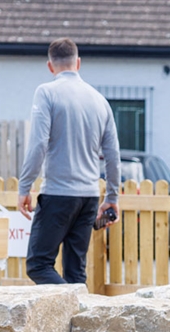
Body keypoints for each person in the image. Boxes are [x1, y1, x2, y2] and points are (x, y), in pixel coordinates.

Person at [18, 38, 120, 285]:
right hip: (88, 198)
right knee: (76, 273)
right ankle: (80, 319)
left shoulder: (46, 92)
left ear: (50, 67)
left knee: (38, 265)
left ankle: (74, 305)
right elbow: (113, 154)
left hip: (58, 194)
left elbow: (38, 144)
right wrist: (112, 198)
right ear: (79, 63)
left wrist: (24, 187)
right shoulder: (99, 100)